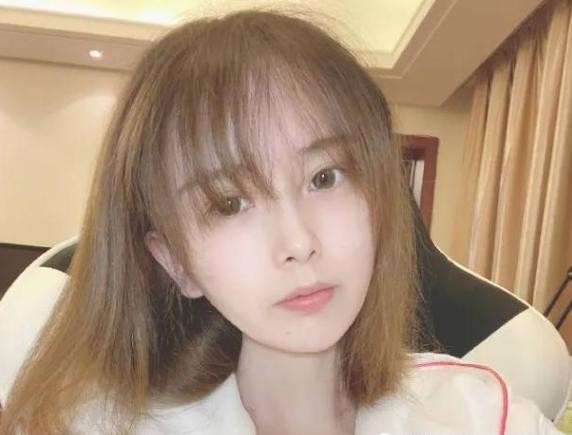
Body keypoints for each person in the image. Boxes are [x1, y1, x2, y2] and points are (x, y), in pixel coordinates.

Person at [0, 8, 563, 435]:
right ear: (175, 261)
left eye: (325, 177)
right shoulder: (93, 424)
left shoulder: (485, 416)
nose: (298, 243)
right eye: (229, 203)